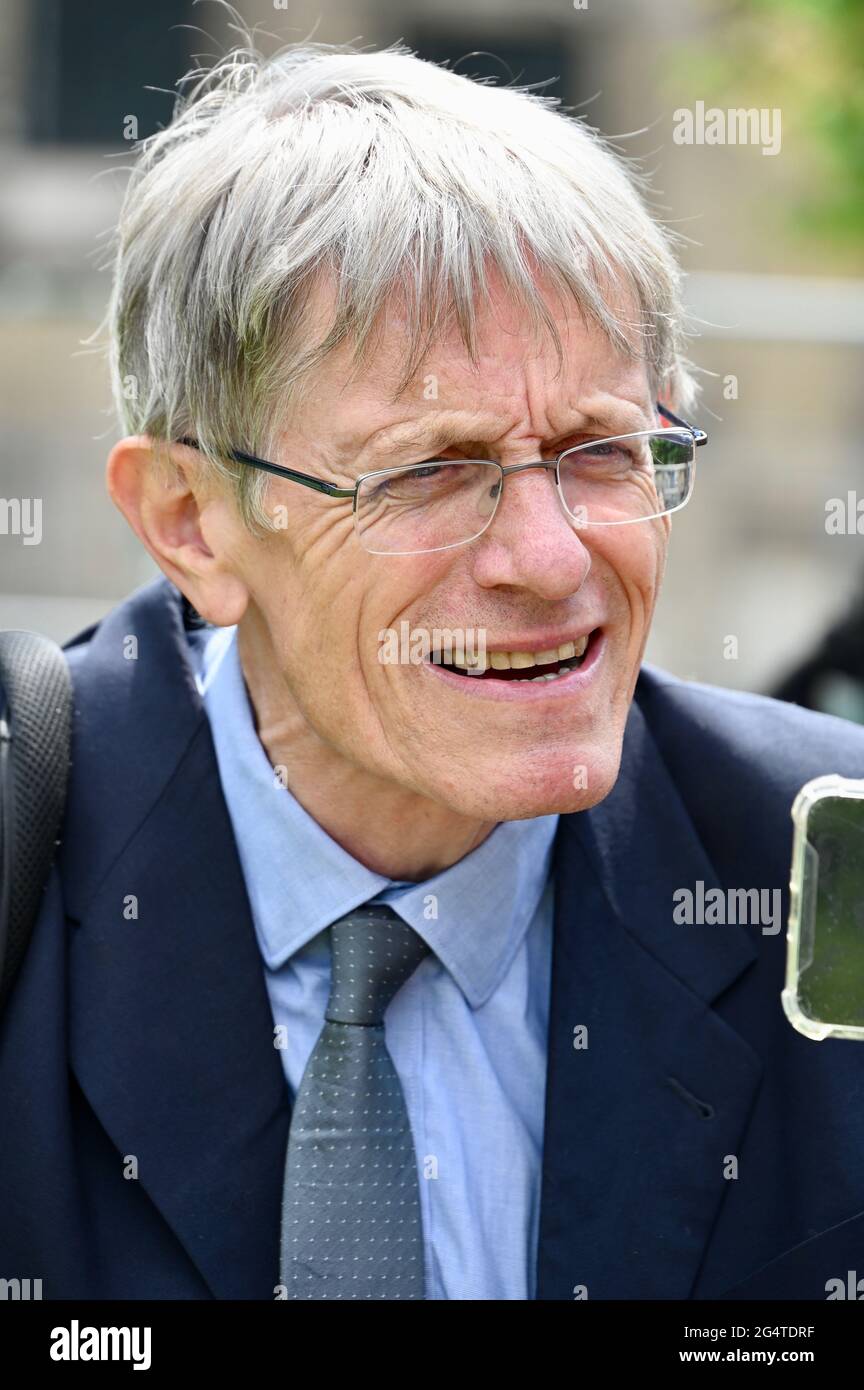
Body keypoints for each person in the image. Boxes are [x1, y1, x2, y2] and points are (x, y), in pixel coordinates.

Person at [2, 39, 864, 1302]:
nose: (549, 556)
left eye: (603, 450)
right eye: (430, 471)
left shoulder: (828, 868)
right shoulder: (29, 850)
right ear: (191, 521)